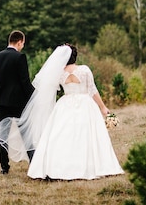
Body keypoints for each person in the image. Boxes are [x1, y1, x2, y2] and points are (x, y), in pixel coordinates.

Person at [26, 43, 124, 180]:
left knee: (62, 135)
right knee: (86, 135)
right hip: (85, 103)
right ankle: (88, 166)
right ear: (75, 56)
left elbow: (50, 89)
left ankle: (58, 166)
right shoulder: (84, 70)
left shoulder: (59, 72)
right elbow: (92, 90)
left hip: (65, 104)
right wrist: (103, 107)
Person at [0, 30, 35, 174]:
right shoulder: (20, 57)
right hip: (18, 102)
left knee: (3, 135)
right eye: (23, 43)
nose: (23, 46)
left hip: (2, 102)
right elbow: (24, 82)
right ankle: (34, 162)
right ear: (19, 41)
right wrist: (35, 96)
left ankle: (4, 167)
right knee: (26, 133)